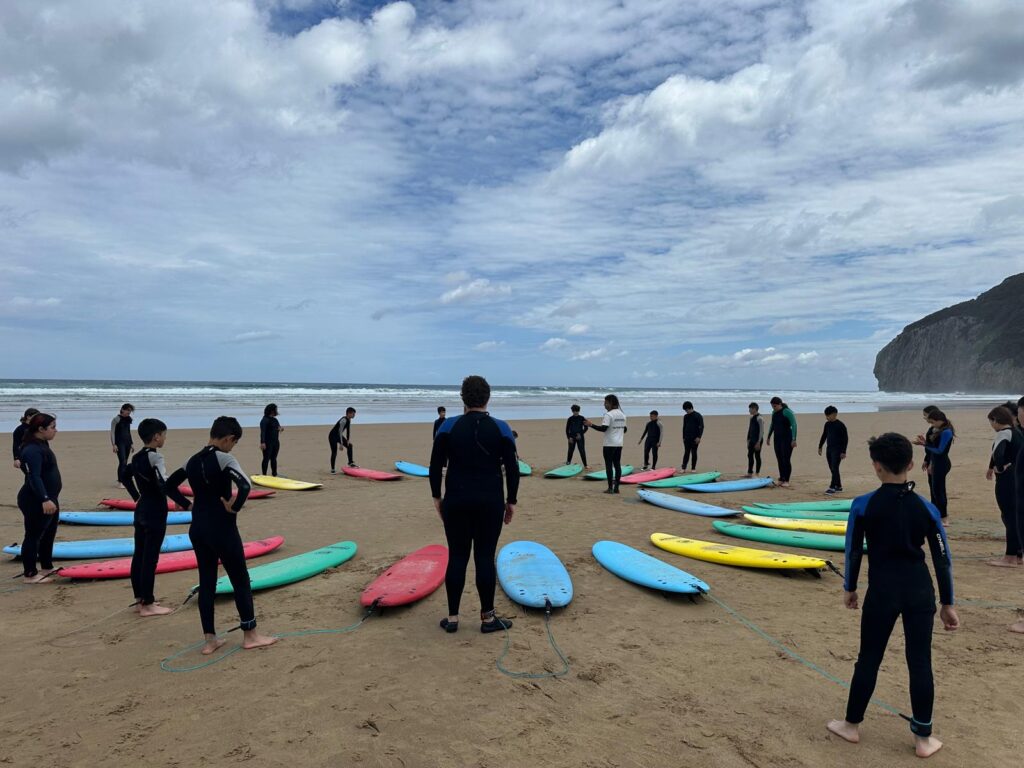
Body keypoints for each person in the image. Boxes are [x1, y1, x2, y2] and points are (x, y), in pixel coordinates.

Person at [828, 432, 958, 759]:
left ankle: (851, 725)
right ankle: (923, 739)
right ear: (911, 464)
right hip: (920, 591)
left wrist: (850, 588)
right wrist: (947, 603)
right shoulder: (926, 508)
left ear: (876, 465)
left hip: (882, 592)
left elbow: (853, 550)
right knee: (920, 662)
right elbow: (942, 558)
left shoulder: (863, 504)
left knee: (869, 658)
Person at [429, 375, 518, 634]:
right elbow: (512, 469)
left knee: (457, 556)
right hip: (490, 502)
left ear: (463, 398)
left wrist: (437, 497)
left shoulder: (448, 427)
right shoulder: (501, 428)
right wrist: (511, 501)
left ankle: (452, 618)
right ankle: (488, 619)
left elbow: (435, 465)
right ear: (488, 398)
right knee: (484, 557)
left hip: (456, 500)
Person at [185, 416, 276, 654]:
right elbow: (245, 485)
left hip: (197, 529)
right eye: (234, 443)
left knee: (207, 582)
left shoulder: (193, 460)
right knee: (240, 580)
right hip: (222, 529)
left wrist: (184, 504)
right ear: (229, 438)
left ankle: (210, 640)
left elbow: (170, 484)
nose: (232, 447)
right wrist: (234, 507)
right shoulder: (224, 458)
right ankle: (250, 635)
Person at [123, 418, 191, 616]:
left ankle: (139, 600)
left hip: (141, 509)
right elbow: (164, 484)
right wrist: (185, 503)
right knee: (150, 558)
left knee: (139, 555)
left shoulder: (136, 457)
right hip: (155, 511)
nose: (164, 439)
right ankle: (148, 604)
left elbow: (124, 475)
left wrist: (136, 496)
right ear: (156, 437)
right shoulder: (156, 457)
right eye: (164, 435)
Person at [17, 413, 61, 583]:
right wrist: (44, 499)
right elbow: (33, 477)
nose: (56, 430)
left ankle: (47, 566)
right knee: (33, 536)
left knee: (49, 533)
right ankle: (30, 574)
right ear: (41, 429)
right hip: (36, 500)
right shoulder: (32, 450)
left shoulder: (41, 444)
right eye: (53, 427)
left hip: (50, 498)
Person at [986, 406, 1022, 568]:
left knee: (1008, 516)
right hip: (1017, 477)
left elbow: (998, 453)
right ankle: (1018, 554)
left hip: (1007, 480)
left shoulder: (1003, 433)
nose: (991, 426)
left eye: (991, 422)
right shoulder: (1017, 432)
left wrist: (999, 468)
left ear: (996, 420)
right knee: (1016, 516)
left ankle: (1010, 557)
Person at [913, 411, 954, 518]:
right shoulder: (938, 429)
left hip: (942, 464)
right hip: (936, 462)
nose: (932, 425)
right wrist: (925, 442)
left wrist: (924, 444)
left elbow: (940, 451)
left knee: (939, 491)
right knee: (935, 490)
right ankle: (936, 512)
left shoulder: (946, 432)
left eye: (932, 422)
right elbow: (933, 447)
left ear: (939, 420)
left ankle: (943, 516)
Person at [586, 395, 627, 494]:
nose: (604, 405)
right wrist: (617, 431)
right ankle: (616, 488)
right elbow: (625, 429)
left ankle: (610, 488)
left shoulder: (608, 415)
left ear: (611, 403)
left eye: (605, 403)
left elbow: (603, 428)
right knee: (617, 465)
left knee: (609, 465)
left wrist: (591, 425)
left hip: (609, 444)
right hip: (619, 444)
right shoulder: (623, 415)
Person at [818, 406, 849, 495]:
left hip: (838, 450)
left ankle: (832, 487)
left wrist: (843, 451)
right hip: (829, 449)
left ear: (834, 414)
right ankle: (838, 486)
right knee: (832, 468)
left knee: (834, 467)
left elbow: (845, 439)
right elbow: (824, 435)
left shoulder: (840, 425)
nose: (826, 417)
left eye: (828, 415)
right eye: (826, 415)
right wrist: (820, 446)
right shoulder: (827, 424)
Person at [766, 397, 797, 487]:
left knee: (786, 459)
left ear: (780, 404)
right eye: (772, 406)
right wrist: (768, 436)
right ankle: (781, 478)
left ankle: (786, 480)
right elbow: (772, 424)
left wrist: (794, 439)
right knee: (779, 459)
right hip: (777, 439)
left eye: (775, 406)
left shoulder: (787, 412)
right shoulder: (774, 412)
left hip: (787, 439)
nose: (773, 408)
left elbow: (794, 424)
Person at [110, 403, 135, 486]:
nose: (129, 412)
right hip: (119, 443)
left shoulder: (128, 419)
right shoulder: (116, 419)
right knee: (122, 462)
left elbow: (128, 432)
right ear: (122, 410)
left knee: (125, 462)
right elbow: (112, 432)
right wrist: (114, 444)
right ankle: (120, 482)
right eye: (128, 410)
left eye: (130, 411)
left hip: (127, 443)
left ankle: (123, 479)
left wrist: (131, 443)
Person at [328, 407, 357, 473]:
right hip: (332, 436)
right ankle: (332, 469)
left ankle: (350, 462)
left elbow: (348, 430)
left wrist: (348, 440)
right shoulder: (343, 420)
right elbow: (340, 432)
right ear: (349, 413)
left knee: (350, 446)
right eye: (353, 414)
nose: (354, 415)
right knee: (334, 452)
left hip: (338, 436)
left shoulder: (349, 419)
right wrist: (341, 443)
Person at [919, 405, 939, 497]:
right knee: (932, 485)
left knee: (935, 487)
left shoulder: (937, 430)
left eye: (925, 415)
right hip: (931, 459)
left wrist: (931, 463)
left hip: (935, 461)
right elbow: (930, 446)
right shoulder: (932, 428)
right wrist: (926, 460)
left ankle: (936, 505)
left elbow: (936, 448)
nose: (924, 418)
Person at [259, 403, 283, 476]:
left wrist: (281, 429)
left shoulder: (275, 420)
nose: (277, 411)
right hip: (267, 443)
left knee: (274, 458)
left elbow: (279, 427)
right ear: (272, 411)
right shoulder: (264, 420)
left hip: (276, 442)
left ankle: (274, 474)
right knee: (266, 459)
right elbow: (263, 432)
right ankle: (264, 475)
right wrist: (263, 442)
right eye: (276, 409)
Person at [681, 401, 704, 471]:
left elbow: (701, 427)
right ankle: (683, 468)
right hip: (687, 437)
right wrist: (683, 437)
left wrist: (699, 437)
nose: (686, 411)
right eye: (685, 410)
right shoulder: (685, 416)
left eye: (686, 410)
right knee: (686, 452)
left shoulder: (698, 415)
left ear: (690, 408)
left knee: (694, 452)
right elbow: (684, 427)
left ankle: (693, 468)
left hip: (695, 438)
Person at [745, 403, 764, 477]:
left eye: (750, 409)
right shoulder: (751, 418)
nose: (749, 410)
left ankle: (757, 473)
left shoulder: (759, 418)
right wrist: (748, 440)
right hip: (751, 440)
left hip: (757, 441)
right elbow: (750, 430)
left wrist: (758, 442)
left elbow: (761, 431)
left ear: (754, 409)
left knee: (757, 456)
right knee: (749, 455)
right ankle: (749, 473)